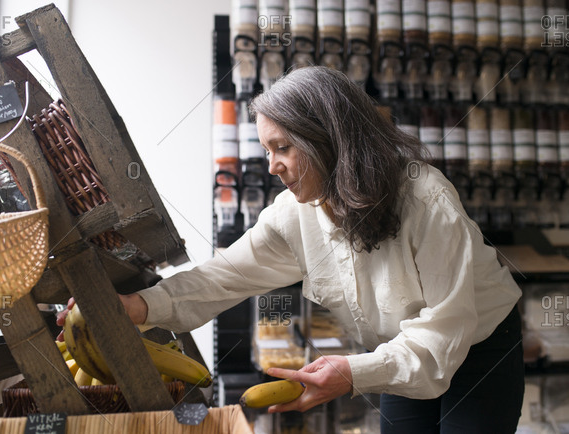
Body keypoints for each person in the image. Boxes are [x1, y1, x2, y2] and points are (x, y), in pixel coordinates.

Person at [58, 66, 524, 433]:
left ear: (330, 140)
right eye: (266, 150)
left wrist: (352, 372)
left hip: (479, 345)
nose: (273, 166)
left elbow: (444, 332)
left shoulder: (425, 200)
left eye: (283, 147)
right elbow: (226, 276)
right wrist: (138, 306)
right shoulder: (294, 213)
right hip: (399, 349)